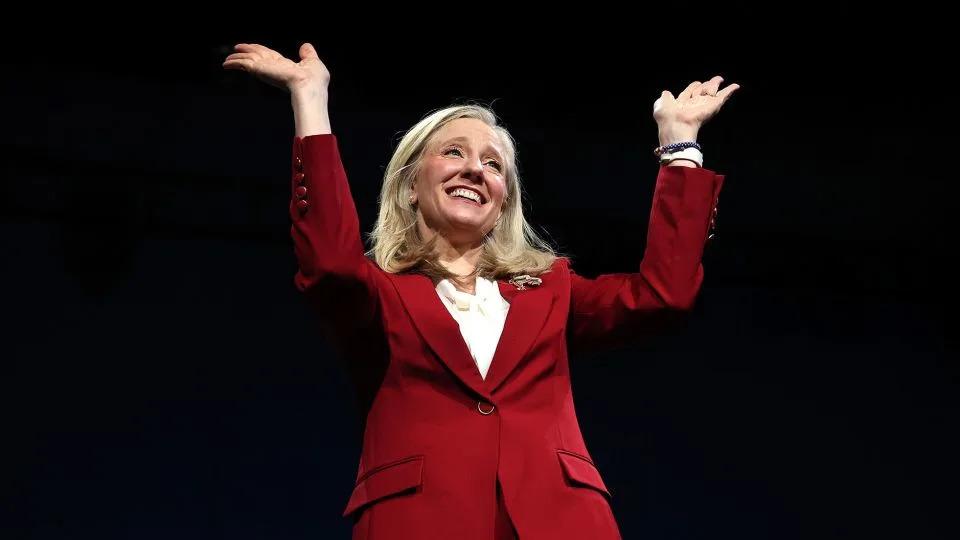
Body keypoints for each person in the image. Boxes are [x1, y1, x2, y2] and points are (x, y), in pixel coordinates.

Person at [223, 41, 738, 540]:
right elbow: (330, 265)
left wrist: (680, 144)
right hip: (420, 521)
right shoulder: (377, 293)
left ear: (502, 202)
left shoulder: (551, 289)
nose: (475, 168)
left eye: (493, 164)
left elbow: (662, 295)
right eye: (453, 152)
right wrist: (310, 100)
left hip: (559, 521)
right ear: (409, 184)